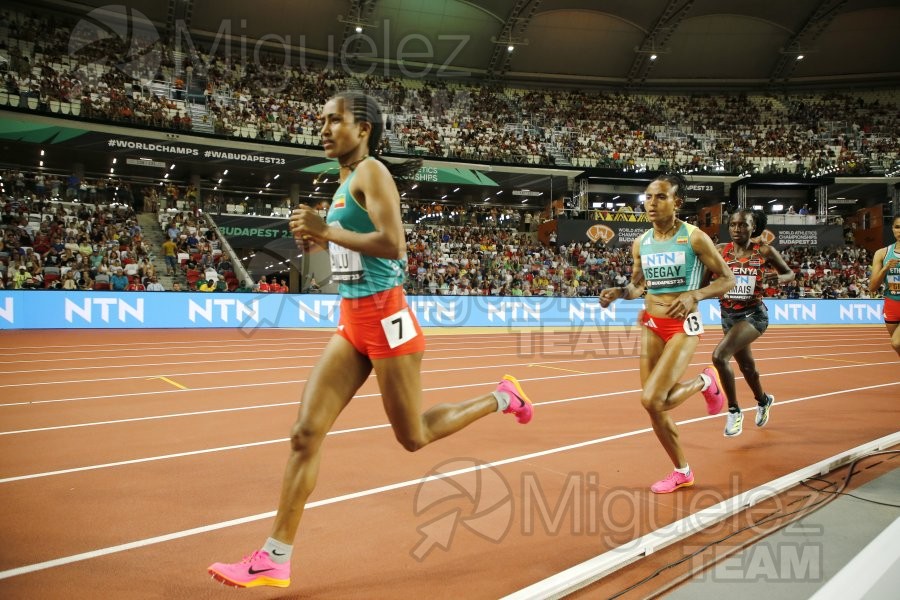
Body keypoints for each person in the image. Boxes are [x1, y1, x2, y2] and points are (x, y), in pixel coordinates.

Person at [208, 91, 534, 589]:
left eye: (333, 120)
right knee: (304, 433)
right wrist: (318, 239)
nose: (322, 128)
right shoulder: (341, 185)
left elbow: (393, 244)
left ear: (363, 129)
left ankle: (502, 396)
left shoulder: (372, 172)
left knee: (413, 437)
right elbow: (353, 253)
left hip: (387, 316)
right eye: (321, 119)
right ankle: (274, 557)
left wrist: (329, 232)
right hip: (351, 319)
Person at [599, 173, 735, 494]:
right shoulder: (641, 242)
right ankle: (682, 471)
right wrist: (620, 292)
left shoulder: (694, 238)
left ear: (677, 203)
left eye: (661, 197)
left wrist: (695, 295)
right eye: (648, 197)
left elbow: (727, 279)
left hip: (683, 326)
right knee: (652, 407)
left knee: (652, 397)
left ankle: (706, 381)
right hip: (652, 322)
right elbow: (637, 286)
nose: (652, 203)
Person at [710, 210, 795, 437]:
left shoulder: (764, 251)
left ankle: (734, 410)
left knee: (719, 356)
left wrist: (774, 278)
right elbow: (705, 279)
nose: (737, 229)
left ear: (753, 227)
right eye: (733, 224)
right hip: (728, 316)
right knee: (747, 367)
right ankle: (764, 400)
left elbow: (789, 275)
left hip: (754, 316)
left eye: (743, 225)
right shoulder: (720, 251)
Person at [868, 215, 900, 356]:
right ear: (892, 229)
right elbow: (872, 288)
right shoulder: (882, 253)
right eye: (897, 227)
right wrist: (885, 268)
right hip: (892, 304)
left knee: (896, 342)